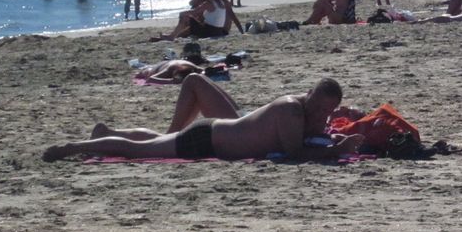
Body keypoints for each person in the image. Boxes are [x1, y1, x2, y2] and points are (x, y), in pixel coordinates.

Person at [42, 76, 365, 162]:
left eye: (327, 111)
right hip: (206, 140)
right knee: (139, 151)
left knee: (156, 141)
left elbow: (307, 139)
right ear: (309, 95)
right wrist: (336, 150)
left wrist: (334, 135)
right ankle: (73, 147)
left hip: (214, 134)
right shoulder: (292, 110)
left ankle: (105, 132)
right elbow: (295, 153)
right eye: (320, 108)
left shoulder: (306, 109)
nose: (322, 115)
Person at [152, 0, 242, 40]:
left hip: (208, 31)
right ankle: (173, 35)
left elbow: (194, 12)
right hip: (218, 32)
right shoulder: (223, 2)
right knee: (194, 20)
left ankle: (172, 36)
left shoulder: (209, 3)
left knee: (186, 16)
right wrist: (242, 31)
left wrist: (182, 13)